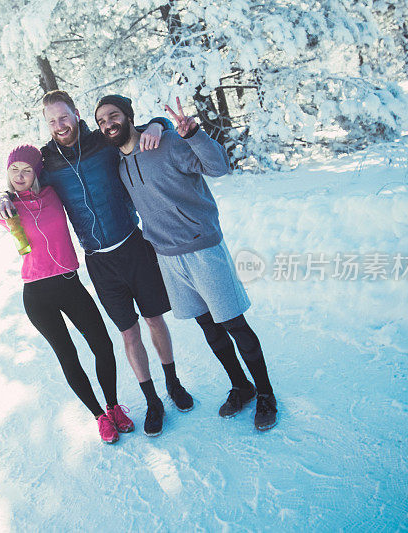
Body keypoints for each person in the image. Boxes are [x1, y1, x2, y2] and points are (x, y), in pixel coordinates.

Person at [0, 92, 192, 437]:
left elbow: (137, 129)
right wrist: (2, 195)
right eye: (52, 121)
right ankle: (152, 401)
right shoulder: (46, 162)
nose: (59, 125)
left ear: (75, 114)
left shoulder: (102, 141)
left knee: (154, 319)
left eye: (64, 117)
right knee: (127, 331)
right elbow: (19, 178)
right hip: (99, 261)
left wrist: (160, 125)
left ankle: (173, 384)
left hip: (133, 244)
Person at [94, 94, 278, 431]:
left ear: (130, 115)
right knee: (208, 326)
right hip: (167, 259)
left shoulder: (166, 144)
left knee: (234, 324)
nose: (108, 124)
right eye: (101, 121)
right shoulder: (119, 166)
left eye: (113, 115)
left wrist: (190, 133)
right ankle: (241, 386)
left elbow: (218, 167)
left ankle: (266, 394)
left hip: (202, 248)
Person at [0, 145, 133, 444]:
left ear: (37, 172)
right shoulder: (6, 208)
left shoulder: (54, 192)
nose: (19, 176)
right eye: (14, 170)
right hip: (36, 295)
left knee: (102, 345)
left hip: (70, 284)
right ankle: (99, 416)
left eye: (26, 169)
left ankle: (113, 406)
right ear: (7, 173)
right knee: (68, 357)